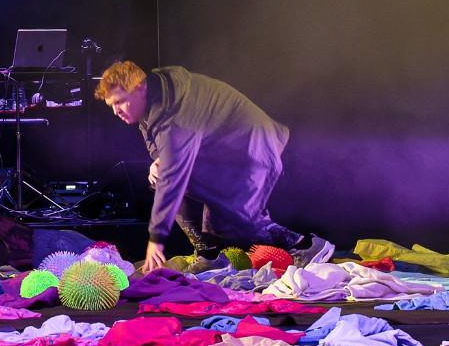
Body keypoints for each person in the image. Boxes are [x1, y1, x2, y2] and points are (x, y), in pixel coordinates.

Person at [95, 60, 323, 273]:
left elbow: (174, 173)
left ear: (139, 87)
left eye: (118, 102)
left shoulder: (176, 112)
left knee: (238, 219)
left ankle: (306, 245)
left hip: (251, 152)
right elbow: (159, 146)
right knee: (163, 179)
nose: (116, 111)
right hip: (220, 157)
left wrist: (156, 240)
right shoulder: (152, 105)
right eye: (111, 105)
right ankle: (209, 255)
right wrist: (160, 161)